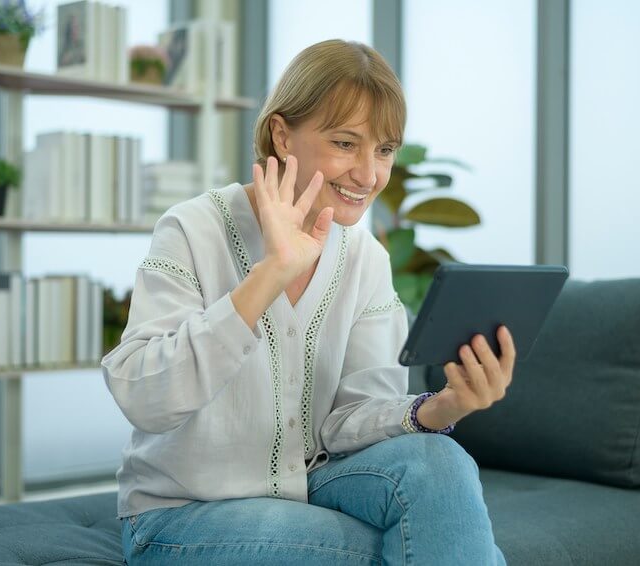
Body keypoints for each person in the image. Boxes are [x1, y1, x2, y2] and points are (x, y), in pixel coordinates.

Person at [102, 39, 513, 565]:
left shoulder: (365, 257)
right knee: (422, 547)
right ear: (282, 134)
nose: (369, 175)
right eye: (346, 143)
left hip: (313, 486)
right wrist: (272, 273)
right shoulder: (192, 228)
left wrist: (442, 408)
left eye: (384, 150)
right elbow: (144, 397)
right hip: (180, 514)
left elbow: (349, 421)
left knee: (442, 465)